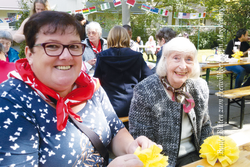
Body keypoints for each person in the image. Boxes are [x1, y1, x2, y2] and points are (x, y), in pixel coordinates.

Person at [0, 11, 159, 167]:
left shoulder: (90, 86)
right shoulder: (10, 100)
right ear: (29, 54)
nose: (66, 56)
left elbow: (115, 129)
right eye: (53, 46)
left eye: (74, 46)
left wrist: (132, 147)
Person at [129, 37, 213, 167]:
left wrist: (211, 155)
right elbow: (140, 137)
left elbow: (205, 125)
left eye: (189, 59)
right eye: (176, 58)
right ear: (165, 61)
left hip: (194, 156)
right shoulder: (144, 90)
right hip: (160, 160)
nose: (183, 66)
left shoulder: (199, 86)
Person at [94, 26, 153, 124]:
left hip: (110, 106)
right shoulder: (137, 56)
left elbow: (96, 82)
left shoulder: (102, 56)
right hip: (134, 105)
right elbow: (149, 78)